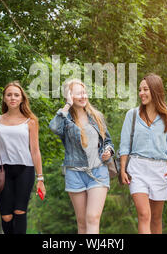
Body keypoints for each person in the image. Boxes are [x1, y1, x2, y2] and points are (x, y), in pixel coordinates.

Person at [49, 79, 114, 234]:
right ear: (70, 96)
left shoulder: (96, 116)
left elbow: (108, 141)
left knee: (92, 218)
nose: (83, 96)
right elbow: (53, 127)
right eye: (78, 93)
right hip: (75, 173)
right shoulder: (65, 120)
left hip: (98, 172)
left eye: (84, 92)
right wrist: (67, 105)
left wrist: (108, 152)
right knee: (82, 222)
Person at [119, 73, 167, 234]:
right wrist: (123, 169)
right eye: (140, 90)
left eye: (145, 89)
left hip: (160, 169)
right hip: (137, 168)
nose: (141, 93)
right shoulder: (131, 115)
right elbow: (124, 145)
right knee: (144, 214)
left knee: (156, 218)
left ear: (155, 90)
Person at [0, 81, 46, 234]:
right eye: (9, 95)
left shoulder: (30, 121)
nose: (13, 98)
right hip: (2, 171)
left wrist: (40, 178)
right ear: (4, 98)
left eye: (16, 95)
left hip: (25, 170)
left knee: (19, 211)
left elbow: (35, 151)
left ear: (22, 99)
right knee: (6, 216)